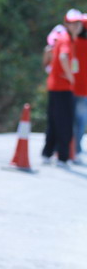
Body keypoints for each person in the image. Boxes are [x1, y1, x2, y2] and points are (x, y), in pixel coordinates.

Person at [42, 9, 84, 168]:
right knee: (65, 123)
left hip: (56, 87)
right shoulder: (66, 39)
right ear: (66, 24)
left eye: (78, 23)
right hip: (62, 88)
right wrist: (71, 77)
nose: (76, 26)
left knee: (54, 122)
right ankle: (62, 158)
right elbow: (63, 57)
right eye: (72, 23)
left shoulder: (68, 39)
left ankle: (47, 153)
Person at [73, 13, 87, 163]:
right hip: (83, 90)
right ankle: (75, 150)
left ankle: (66, 149)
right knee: (80, 121)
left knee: (69, 119)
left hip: (69, 87)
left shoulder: (73, 42)